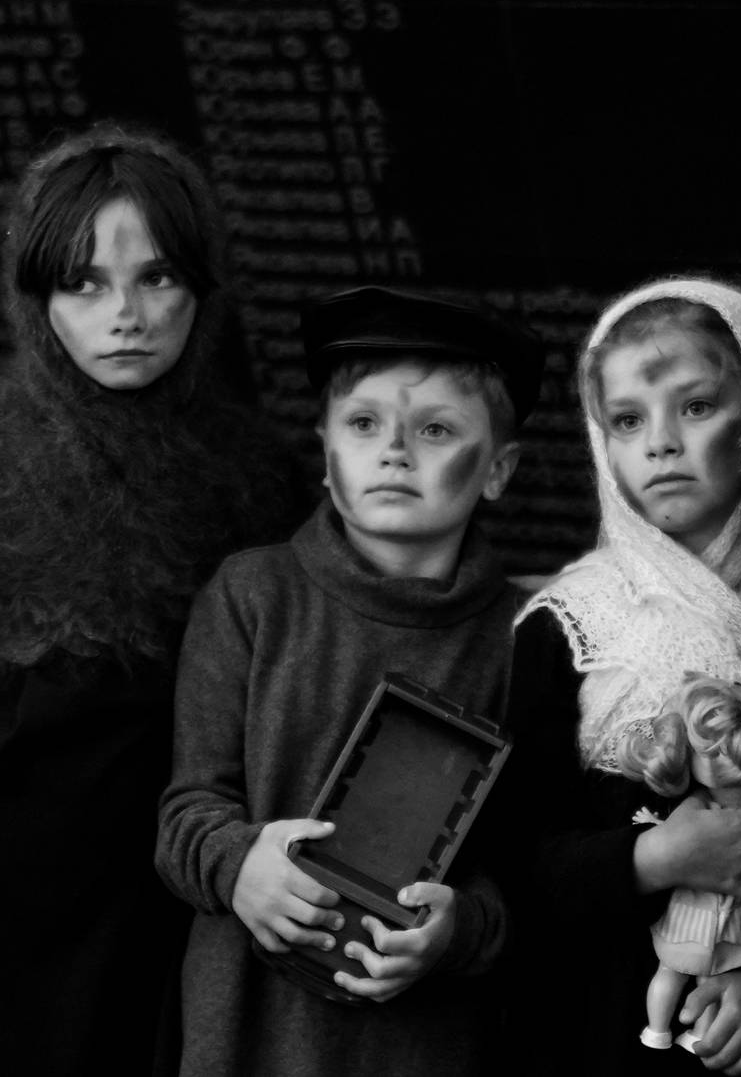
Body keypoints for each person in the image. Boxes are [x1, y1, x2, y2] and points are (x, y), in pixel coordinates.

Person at [155, 283, 545, 1077]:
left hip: (426, 1047)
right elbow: (185, 814)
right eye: (364, 423)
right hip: (248, 1036)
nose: (394, 450)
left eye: (436, 428)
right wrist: (239, 865)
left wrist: (459, 930)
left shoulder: (528, 636)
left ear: (499, 470)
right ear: (325, 452)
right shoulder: (250, 597)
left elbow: (533, 870)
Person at [0, 121, 306, 1077]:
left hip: (206, 918)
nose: (125, 314)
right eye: (84, 283)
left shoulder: (261, 479)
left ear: (202, 288)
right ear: (38, 300)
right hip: (21, 933)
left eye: (157, 277)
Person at [496, 277, 741, 1077]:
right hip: (601, 1025)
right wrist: (653, 859)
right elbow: (513, 856)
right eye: (627, 420)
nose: (660, 442)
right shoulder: (570, 626)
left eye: (696, 406)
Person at [622, 675, 741, 1053]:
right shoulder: (710, 803)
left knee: (688, 975)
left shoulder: (710, 801)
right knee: (693, 975)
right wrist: (658, 834)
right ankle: (674, 1031)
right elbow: (680, 838)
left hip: (708, 911)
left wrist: (655, 827)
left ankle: (672, 1032)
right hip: (715, 910)